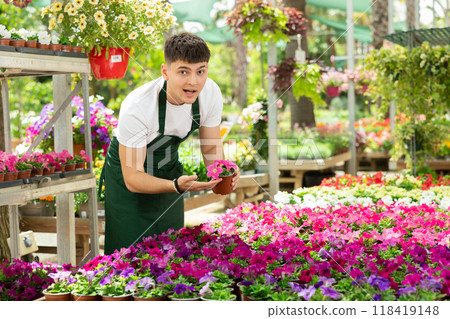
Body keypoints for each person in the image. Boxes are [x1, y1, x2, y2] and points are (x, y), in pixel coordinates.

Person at [101, 32, 240, 255]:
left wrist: (222, 171)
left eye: (200, 71)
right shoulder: (138, 107)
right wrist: (176, 186)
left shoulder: (210, 93)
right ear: (165, 72)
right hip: (129, 176)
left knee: (171, 250)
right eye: (183, 71)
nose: (193, 81)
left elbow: (211, 147)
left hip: (167, 168)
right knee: (129, 253)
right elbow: (133, 178)